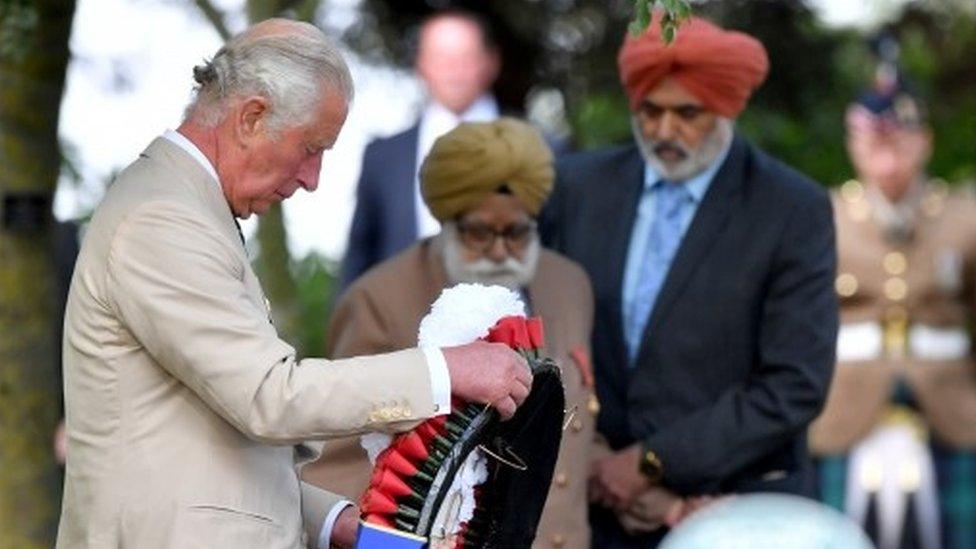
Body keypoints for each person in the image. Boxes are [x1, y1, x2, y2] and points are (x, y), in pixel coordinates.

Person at [57, 19, 532, 549]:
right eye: (312, 148)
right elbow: (268, 396)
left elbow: (204, 438)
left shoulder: (184, 207)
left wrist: (334, 522)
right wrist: (444, 371)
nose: (313, 179)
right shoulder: (164, 219)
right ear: (251, 118)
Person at [541, 14, 838, 547]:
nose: (663, 131)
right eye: (649, 111)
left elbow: (794, 384)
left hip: (732, 506)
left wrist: (653, 464)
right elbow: (542, 332)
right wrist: (598, 457)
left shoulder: (791, 209)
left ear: (725, 108)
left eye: (687, 113)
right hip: (593, 505)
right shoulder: (580, 188)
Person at [304, 118, 597, 548]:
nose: (500, 250)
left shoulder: (570, 284)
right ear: (446, 221)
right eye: (479, 233)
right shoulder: (378, 300)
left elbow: (578, 423)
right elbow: (340, 464)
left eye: (515, 233)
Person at [809, 79, 976, 549]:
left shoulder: (966, 215)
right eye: (873, 142)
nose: (888, 158)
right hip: (843, 409)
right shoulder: (826, 215)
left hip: (954, 408)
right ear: (853, 145)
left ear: (924, 141)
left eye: (900, 141)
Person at [340, 10, 501, 288]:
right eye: (443, 59)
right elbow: (360, 259)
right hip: (405, 324)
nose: (454, 71)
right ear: (421, 64)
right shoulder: (383, 157)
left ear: (490, 62)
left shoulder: (545, 147)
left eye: (465, 58)